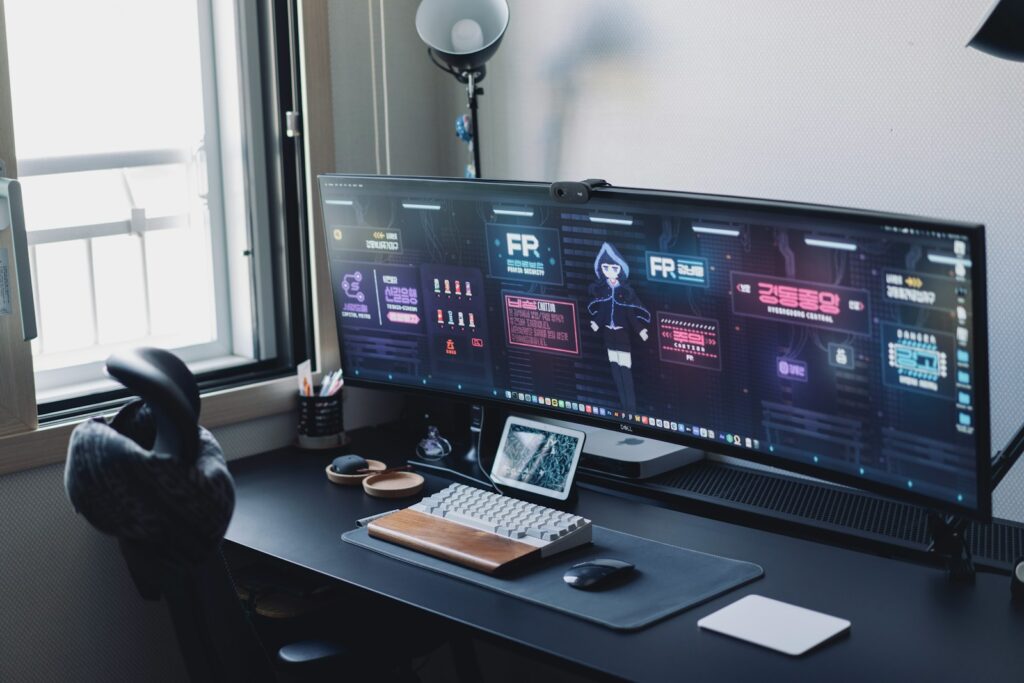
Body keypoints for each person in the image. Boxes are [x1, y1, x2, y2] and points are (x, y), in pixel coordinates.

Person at [586, 242, 650, 412]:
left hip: (622, 337)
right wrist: (596, 323)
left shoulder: (624, 293)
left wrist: (641, 330)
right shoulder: (604, 292)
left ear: (620, 270)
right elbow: (602, 312)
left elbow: (630, 315)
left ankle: (632, 409)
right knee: (615, 371)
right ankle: (623, 407)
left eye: (613, 267)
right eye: (606, 267)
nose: (610, 271)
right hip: (609, 337)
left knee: (625, 372)